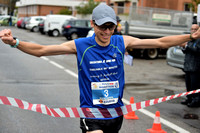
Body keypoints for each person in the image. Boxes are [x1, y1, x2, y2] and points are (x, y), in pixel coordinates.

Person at [1, 3, 200, 133]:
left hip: (115, 114)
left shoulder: (121, 41)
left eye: (110, 27)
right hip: (92, 114)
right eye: (102, 26)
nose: (106, 31)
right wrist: (14, 42)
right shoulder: (80, 46)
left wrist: (190, 37)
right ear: (93, 24)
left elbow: (161, 43)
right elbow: (42, 50)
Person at [180, 24, 200, 108]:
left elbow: (197, 50)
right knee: (188, 84)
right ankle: (189, 98)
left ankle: (196, 100)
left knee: (194, 86)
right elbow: (186, 51)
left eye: (195, 29)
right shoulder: (190, 39)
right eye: (192, 29)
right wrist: (184, 47)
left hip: (195, 67)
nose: (193, 30)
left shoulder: (198, 40)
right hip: (188, 66)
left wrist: (187, 46)